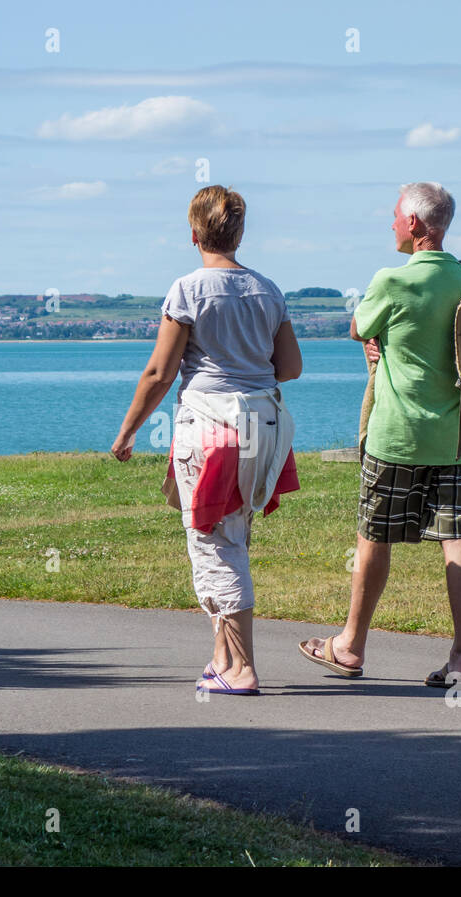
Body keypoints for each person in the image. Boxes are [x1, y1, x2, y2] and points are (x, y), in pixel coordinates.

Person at [112, 185, 302, 695]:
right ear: (239, 233)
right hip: (264, 424)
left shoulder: (188, 290)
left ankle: (241, 669)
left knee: (214, 545)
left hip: (210, 427)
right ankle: (221, 658)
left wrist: (128, 430)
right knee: (230, 536)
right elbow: (290, 367)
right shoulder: (269, 290)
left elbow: (159, 372)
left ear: (194, 234)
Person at [299, 181, 461, 688]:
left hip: (397, 436)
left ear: (416, 226)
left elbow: (359, 327)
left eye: (396, 216)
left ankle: (350, 646)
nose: (392, 223)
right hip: (459, 436)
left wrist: (379, 337)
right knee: (456, 537)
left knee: (374, 538)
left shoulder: (392, 281)